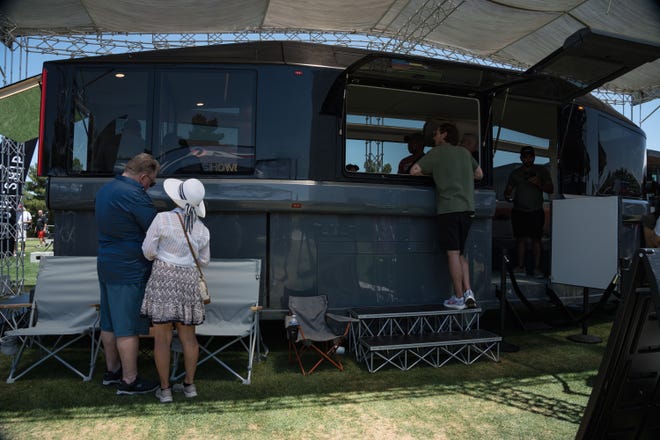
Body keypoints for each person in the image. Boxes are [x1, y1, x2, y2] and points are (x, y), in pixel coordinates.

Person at [140, 178, 210, 403]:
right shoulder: (202, 229)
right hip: (188, 280)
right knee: (189, 338)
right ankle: (189, 386)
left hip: (163, 279)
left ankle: (165, 390)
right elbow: (205, 261)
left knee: (162, 338)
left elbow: (148, 252)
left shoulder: (162, 219)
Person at [95, 153, 160, 395]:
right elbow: (154, 231)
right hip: (129, 267)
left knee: (109, 322)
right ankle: (129, 380)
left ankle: (112, 371)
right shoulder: (135, 195)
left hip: (106, 263)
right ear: (143, 177)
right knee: (127, 327)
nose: (150, 186)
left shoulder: (105, 190)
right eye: (151, 182)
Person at [411, 122, 483, 310]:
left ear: (444, 134)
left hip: (449, 209)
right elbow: (479, 174)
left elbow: (415, 171)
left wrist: (436, 173)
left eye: (435, 134)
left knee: (452, 253)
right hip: (468, 209)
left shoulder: (436, 153)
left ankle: (458, 297)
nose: (434, 138)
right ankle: (468, 292)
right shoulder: (465, 153)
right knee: (460, 253)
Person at [503, 146, 554, 278]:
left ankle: (537, 269)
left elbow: (551, 189)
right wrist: (508, 195)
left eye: (530, 156)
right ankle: (520, 268)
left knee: (537, 240)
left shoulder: (542, 171)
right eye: (525, 156)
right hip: (519, 211)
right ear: (521, 158)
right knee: (520, 239)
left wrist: (539, 184)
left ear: (534, 157)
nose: (528, 158)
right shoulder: (515, 173)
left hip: (536, 211)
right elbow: (507, 191)